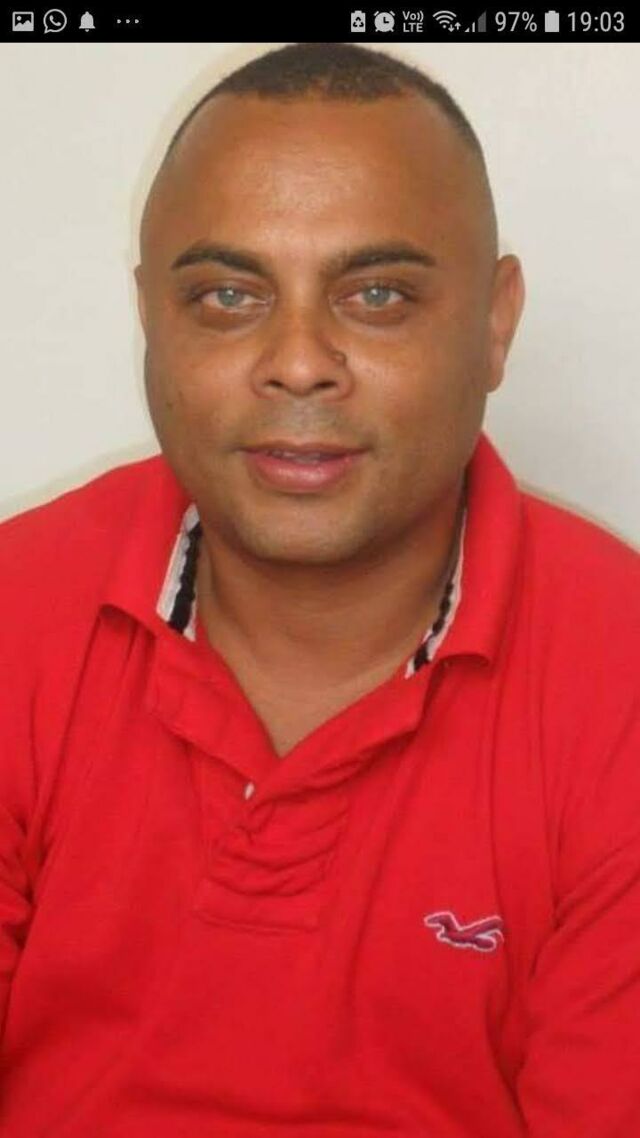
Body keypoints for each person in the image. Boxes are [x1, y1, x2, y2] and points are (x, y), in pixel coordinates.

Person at [0, 41, 638, 1138]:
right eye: (226, 295)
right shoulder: (16, 610)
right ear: (152, 318)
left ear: (495, 324)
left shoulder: (620, 676)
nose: (298, 361)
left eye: (377, 295)